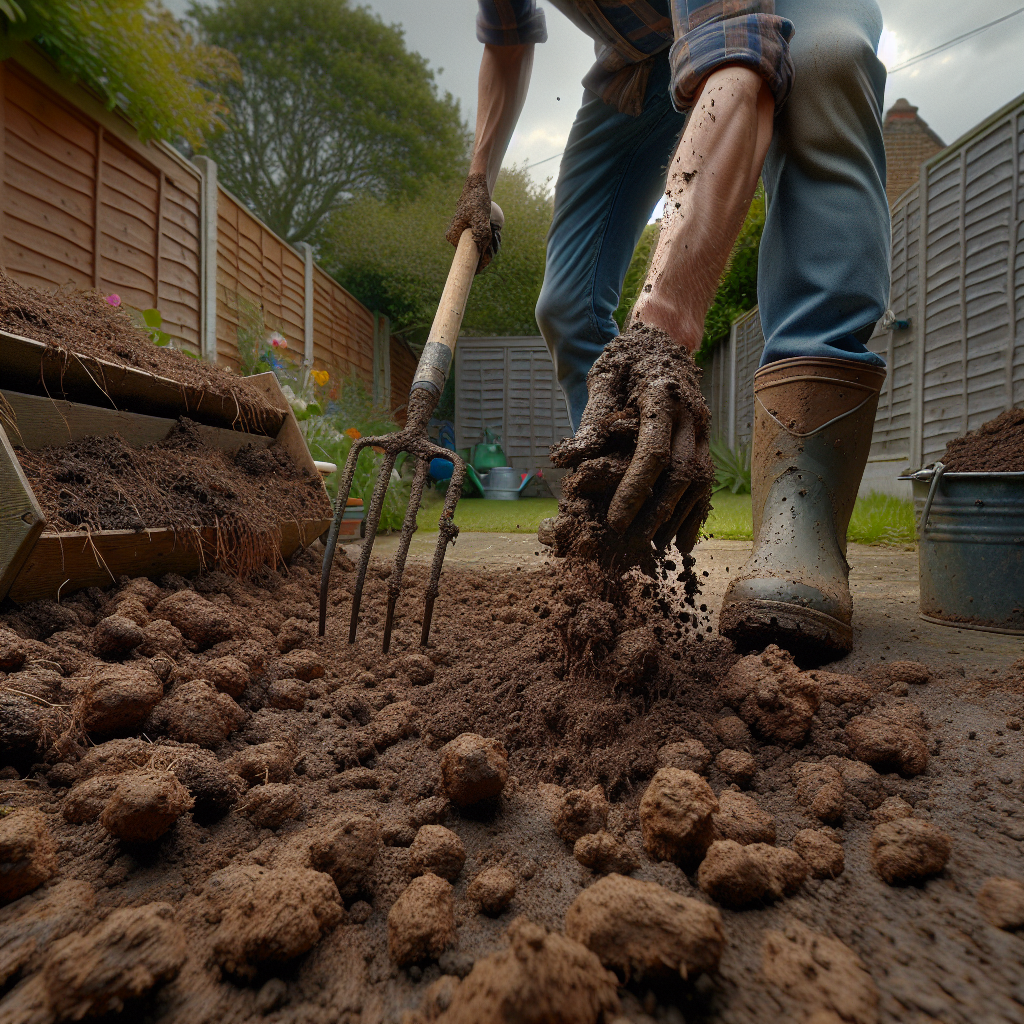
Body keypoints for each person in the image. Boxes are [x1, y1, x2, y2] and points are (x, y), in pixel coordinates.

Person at [448, 0, 891, 663]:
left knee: (826, 60)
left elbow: (739, 71)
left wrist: (660, 333)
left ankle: (802, 513)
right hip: (638, 62)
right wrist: (478, 177)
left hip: (766, 12)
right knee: (566, 303)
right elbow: (506, 41)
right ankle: (619, 519)